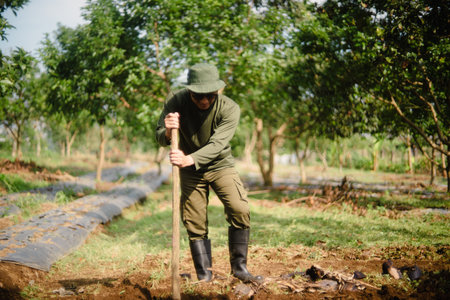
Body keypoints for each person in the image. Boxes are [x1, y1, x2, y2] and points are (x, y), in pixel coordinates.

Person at [155, 63, 263, 283]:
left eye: (210, 96)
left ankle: (240, 269)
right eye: (198, 96)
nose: (204, 101)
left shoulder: (229, 108)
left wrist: (190, 158)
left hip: (219, 165)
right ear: (189, 91)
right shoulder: (175, 101)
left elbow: (217, 144)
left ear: (218, 91)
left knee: (239, 208)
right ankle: (205, 275)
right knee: (194, 220)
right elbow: (158, 136)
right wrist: (167, 130)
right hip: (189, 171)